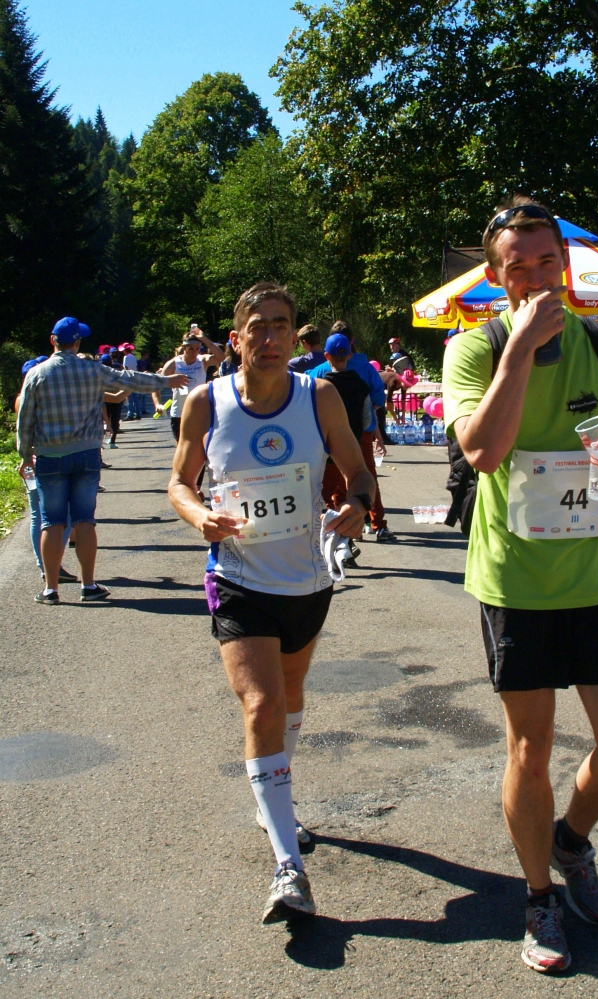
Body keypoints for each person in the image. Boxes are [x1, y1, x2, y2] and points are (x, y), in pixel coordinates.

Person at [443, 197, 598, 974]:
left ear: (564, 265)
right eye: (517, 267)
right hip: (516, 582)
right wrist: (520, 352)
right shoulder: (474, 349)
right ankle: (538, 898)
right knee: (529, 748)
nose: (534, 277)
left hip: (597, 576)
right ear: (495, 276)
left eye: (545, 262)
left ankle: (571, 840)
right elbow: (484, 452)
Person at [167, 281, 374, 924]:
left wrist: (356, 505)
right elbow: (178, 482)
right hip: (238, 577)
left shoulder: (320, 396)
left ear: (293, 334)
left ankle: (273, 802)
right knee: (262, 703)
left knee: (290, 694)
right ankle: (288, 866)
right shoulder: (207, 401)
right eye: (257, 327)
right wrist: (199, 515)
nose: (270, 337)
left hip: (307, 579)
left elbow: (358, 471)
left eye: (281, 325)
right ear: (236, 339)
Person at [16, 317, 187, 605]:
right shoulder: (92, 369)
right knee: (85, 519)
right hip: (86, 454)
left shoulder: (36, 374)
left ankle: (51, 589)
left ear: (53, 340)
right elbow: (128, 379)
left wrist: (25, 455)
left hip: (49, 456)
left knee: (52, 522)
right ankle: (89, 585)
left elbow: (25, 421)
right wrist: (165, 381)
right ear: (77, 342)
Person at [307, 322, 396, 541]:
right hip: (358, 437)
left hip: (326, 440)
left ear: (326, 355)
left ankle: (334, 532)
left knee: (325, 488)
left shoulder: (318, 377)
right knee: (365, 478)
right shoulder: (364, 374)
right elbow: (373, 407)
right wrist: (373, 433)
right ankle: (377, 524)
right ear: (350, 349)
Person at [14, 357, 76, 583]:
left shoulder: (20, 399)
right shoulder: (41, 397)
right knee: (64, 514)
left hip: (28, 461)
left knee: (36, 514)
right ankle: (53, 565)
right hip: (44, 459)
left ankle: (45, 566)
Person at [153, 329, 224, 494]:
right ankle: (185, 483)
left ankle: (195, 487)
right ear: (184, 348)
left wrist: (204, 338)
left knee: (199, 451)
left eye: (197, 348)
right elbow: (156, 384)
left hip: (200, 413)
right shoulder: (174, 364)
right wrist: (158, 404)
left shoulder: (202, 361)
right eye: (191, 348)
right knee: (185, 450)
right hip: (179, 414)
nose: (194, 352)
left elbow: (221, 357)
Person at [377, 366, 406, 443]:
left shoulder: (404, 385)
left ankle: (380, 436)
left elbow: (403, 400)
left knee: (381, 411)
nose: (408, 386)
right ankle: (383, 438)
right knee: (380, 411)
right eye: (407, 384)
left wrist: (403, 415)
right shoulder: (393, 382)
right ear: (401, 381)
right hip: (376, 383)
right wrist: (396, 419)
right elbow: (389, 403)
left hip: (381, 387)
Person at [121, 344, 142, 419]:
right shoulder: (133, 357)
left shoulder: (126, 357)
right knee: (135, 397)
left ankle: (130, 414)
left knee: (129, 397)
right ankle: (138, 413)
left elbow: (126, 367)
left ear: (124, 350)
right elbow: (136, 367)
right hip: (134, 377)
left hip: (128, 378)